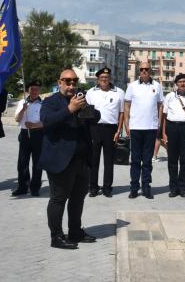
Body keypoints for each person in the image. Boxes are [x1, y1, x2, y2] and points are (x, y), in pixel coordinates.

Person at [39, 68, 98, 250]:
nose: (71, 85)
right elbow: (47, 121)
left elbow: (96, 117)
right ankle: (56, 236)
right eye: (67, 81)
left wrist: (88, 110)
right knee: (58, 198)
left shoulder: (81, 100)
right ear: (59, 83)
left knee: (78, 198)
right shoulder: (51, 102)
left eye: (74, 81)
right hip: (60, 161)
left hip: (81, 160)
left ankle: (75, 231)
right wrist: (69, 109)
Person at [124, 60, 163, 199]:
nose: (144, 71)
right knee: (135, 160)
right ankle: (134, 187)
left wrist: (158, 123)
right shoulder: (132, 86)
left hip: (150, 128)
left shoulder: (157, 86)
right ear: (138, 71)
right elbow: (127, 105)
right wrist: (126, 124)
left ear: (150, 71)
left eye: (147, 69)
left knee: (147, 161)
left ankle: (146, 187)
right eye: (142, 69)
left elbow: (160, 106)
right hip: (135, 127)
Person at [86, 67, 125, 198]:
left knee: (109, 161)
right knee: (93, 160)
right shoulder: (91, 92)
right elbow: (86, 113)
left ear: (110, 79)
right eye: (102, 77)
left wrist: (118, 131)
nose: (104, 80)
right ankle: (93, 187)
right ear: (98, 79)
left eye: (106, 78)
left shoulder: (119, 92)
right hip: (94, 129)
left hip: (111, 130)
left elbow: (121, 113)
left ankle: (107, 187)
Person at [11, 80, 44, 196]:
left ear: (39, 91)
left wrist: (34, 125)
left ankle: (35, 188)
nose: (34, 91)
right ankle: (23, 186)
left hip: (38, 134)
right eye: (32, 89)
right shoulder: (22, 102)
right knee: (22, 162)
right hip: (25, 134)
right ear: (28, 90)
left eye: (37, 89)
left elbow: (46, 122)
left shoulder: (43, 104)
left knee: (37, 163)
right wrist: (23, 110)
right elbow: (17, 119)